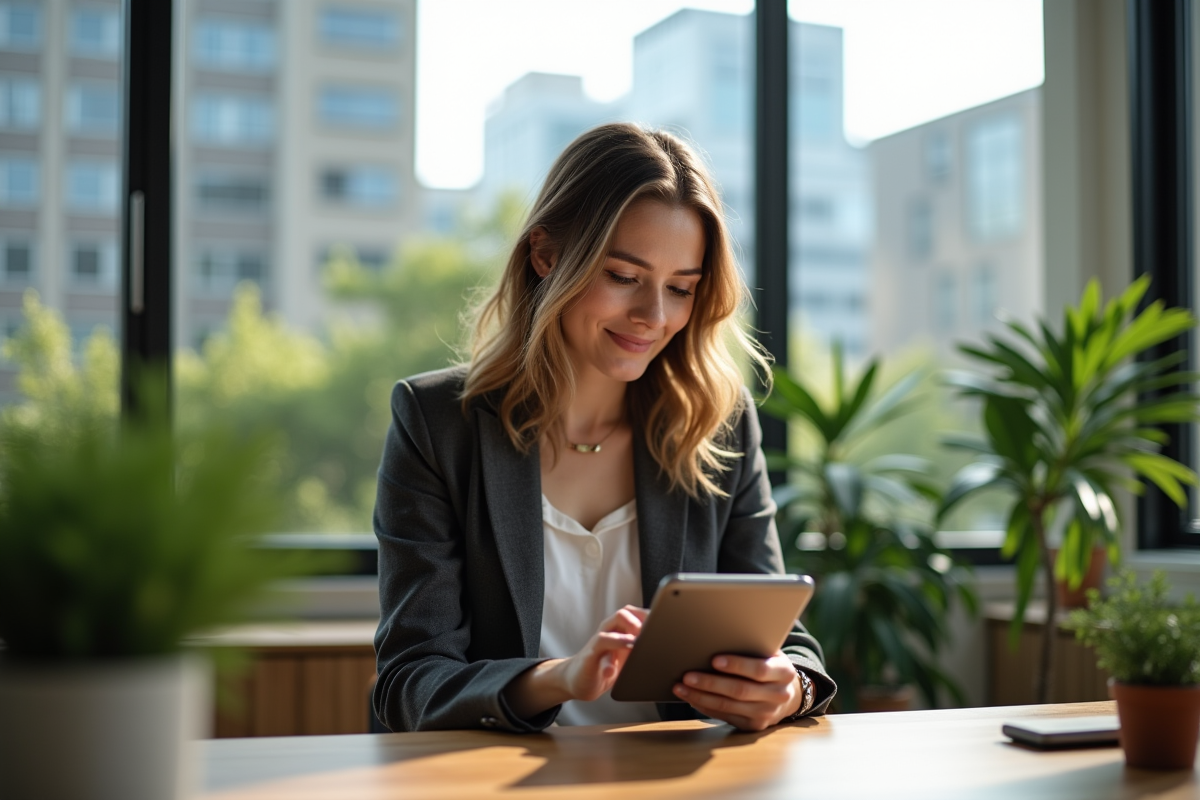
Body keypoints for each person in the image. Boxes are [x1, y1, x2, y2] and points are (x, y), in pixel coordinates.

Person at [372, 122, 836, 733]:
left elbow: (787, 641)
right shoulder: (437, 424)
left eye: (680, 288)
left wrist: (790, 687)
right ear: (545, 255)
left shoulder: (718, 427)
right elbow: (409, 680)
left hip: (672, 777)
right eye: (623, 277)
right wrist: (559, 676)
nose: (653, 316)